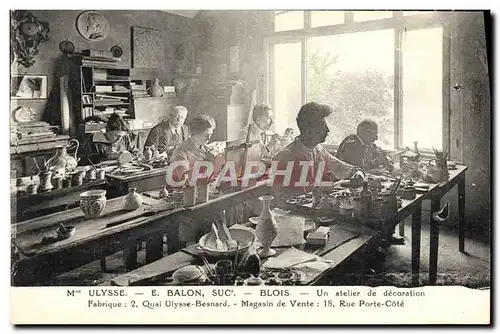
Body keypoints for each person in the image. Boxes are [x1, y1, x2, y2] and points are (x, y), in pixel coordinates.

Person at [272, 102, 366, 205]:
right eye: (322, 125)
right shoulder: (285, 157)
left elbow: (340, 167)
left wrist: (358, 174)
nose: (327, 130)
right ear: (309, 128)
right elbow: (279, 199)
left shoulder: (319, 150)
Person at [336, 120, 403, 246]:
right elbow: (356, 171)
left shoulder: (368, 144)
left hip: (364, 182)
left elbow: (375, 161)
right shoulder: (352, 145)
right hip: (348, 185)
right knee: (380, 200)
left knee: (390, 197)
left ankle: (385, 235)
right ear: (364, 133)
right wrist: (376, 170)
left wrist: (385, 162)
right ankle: (374, 241)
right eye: (374, 134)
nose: (376, 138)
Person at [169, 115, 223, 245]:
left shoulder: (202, 147)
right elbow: (185, 179)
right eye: (206, 135)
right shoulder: (182, 151)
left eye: (210, 134)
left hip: (202, 196)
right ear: (195, 133)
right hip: (185, 200)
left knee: (222, 214)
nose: (209, 138)